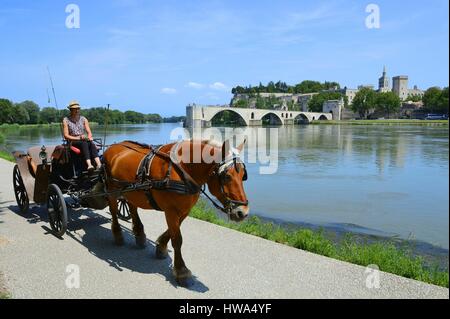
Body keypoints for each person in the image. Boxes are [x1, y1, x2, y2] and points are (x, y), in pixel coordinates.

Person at [62, 100, 102, 172]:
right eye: (75, 109)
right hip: (73, 141)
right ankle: (89, 165)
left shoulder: (83, 119)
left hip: (83, 139)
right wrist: (78, 138)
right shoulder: (66, 120)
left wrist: (89, 137)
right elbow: (66, 135)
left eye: (78, 109)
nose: (77, 110)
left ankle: (99, 164)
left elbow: (89, 132)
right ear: (71, 110)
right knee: (84, 143)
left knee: (91, 143)